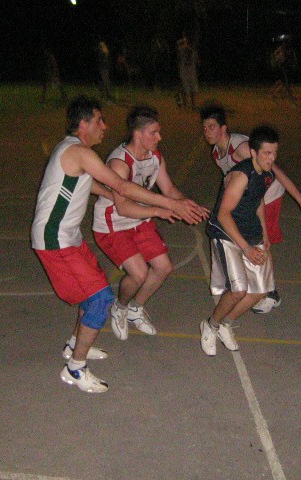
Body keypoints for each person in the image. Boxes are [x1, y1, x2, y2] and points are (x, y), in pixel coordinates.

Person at [31, 96, 207, 393]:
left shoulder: (76, 152)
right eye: (100, 120)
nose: (105, 126)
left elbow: (92, 185)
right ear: (84, 124)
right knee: (100, 299)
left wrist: (119, 197)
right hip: (54, 239)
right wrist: (166, 206)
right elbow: (123, 186)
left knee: (94, 296)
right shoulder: (79, 152)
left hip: (67, 236)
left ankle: (74, 345)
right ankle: (74, 368)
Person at [93, 106, 208, 340]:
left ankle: (136, 307)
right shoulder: (120, 162)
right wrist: (161, 210)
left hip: (140, 220)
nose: (159, 137)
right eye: (154, 133)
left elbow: (168, 189)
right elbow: (123, 207)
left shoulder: (155, 156)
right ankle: (120, 307)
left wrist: (187, 204)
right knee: (139, 273)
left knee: (164, 267)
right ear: (138, 134)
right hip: (113, 224)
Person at [200, 104, 301, 314]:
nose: (207, 131)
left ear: (224, 128)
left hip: (268, 196)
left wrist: (300, 199)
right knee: (240, 236)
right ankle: (252, 283)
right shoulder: (217, 153)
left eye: (211, 126)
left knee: (264, 241)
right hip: (249, 197)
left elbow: (276, 171)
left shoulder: (241, 147)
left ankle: (270, 292)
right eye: (205, 127)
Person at [199, 126, 279, 356]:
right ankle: (211, 325)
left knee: (262, 290)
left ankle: (226, 323)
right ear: (253, 152)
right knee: (238, 290)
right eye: (266, 153)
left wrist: (264, 233)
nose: (271, 158)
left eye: (274, 153)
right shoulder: (240, 176)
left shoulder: (267, 175)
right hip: (226, 233)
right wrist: (245, 248)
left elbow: (258, 201)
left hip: (250, 232)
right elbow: (223, 214)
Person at [269, 35, 297, 104]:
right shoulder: (283, 49)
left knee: (281, 82)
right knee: (286, 84)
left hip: (283, 67)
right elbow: (279, 56)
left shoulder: (284, 49)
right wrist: (278, 60)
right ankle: (292, 101)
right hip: (282, 67)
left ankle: (273, 95)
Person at [176, 33, 199, 109]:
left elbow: (197, 60)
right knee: (186, 87)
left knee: (192, 88)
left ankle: (192, 104)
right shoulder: (183, 48)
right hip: (185, 70)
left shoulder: (189, 49)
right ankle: (186, 104)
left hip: (190, 70)